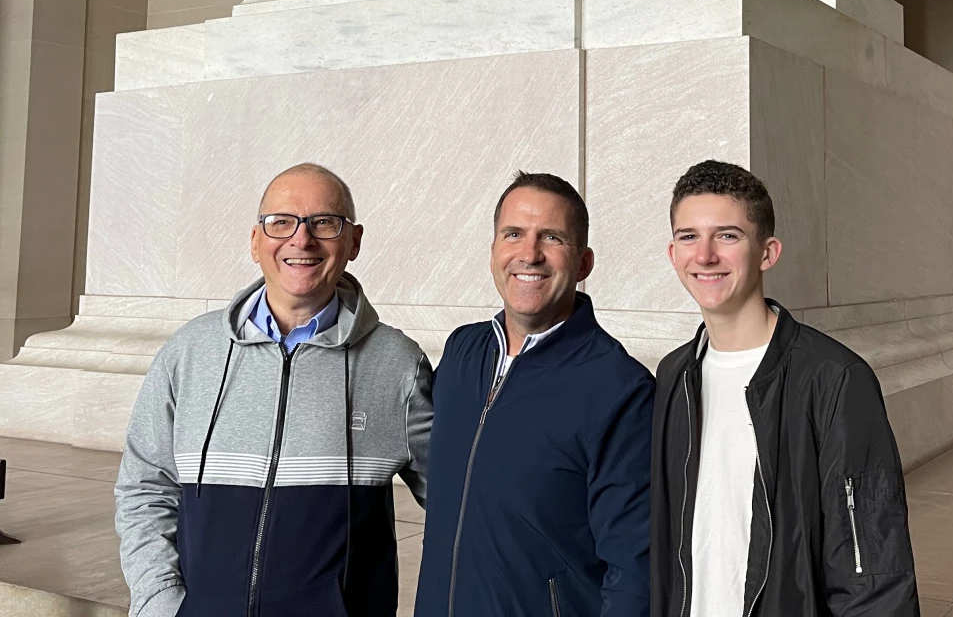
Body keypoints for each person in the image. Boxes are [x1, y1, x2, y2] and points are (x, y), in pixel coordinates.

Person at [114, 163, 434, 617]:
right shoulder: (188, 353)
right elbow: (145, 489)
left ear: (354, 241)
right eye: (280, 222)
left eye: (324, 223)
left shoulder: (398, 364)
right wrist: (159, 603)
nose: (300, 240)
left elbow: (459, 504)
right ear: (255, 241)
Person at [650, 160, 919, 616]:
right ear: (672, 253)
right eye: (689, 236)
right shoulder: (673, 376)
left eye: (728, 235)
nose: (705, 255)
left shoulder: (835, 379)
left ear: (767, 252)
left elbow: (871, 567)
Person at [414, 171, 654, 617]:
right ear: (492, 252)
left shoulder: (620, 389)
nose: (529, 254)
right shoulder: (462, 352)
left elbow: (634, 568)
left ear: (583, 263)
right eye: (513, 234)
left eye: (552, 238)